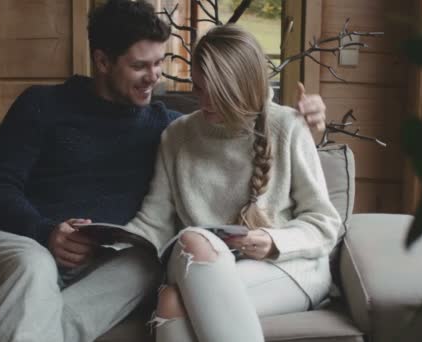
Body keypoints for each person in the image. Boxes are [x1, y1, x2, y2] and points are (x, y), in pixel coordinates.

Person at [0, 0, 328, 341]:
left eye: (159, 63)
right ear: (103, 62)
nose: (154, 77)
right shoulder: (42, 104)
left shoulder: (170, 128)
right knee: (33, 268)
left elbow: (237, 132)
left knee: (146, 267)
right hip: (19, 242)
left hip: (104, 260)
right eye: (139, 66)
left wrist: (312, 132)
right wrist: (45, 232)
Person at [121, 24, 342, 342]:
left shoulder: (288, 127)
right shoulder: (177, 136)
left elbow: (324, 225)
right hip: (200, 266)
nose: (205, 101)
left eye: (217, 91)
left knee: (174, 292)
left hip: (290, 268)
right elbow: (153, 225)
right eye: (198, 88)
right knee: (191, 247)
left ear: (243, 86)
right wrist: (108, 243)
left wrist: (273, 241)